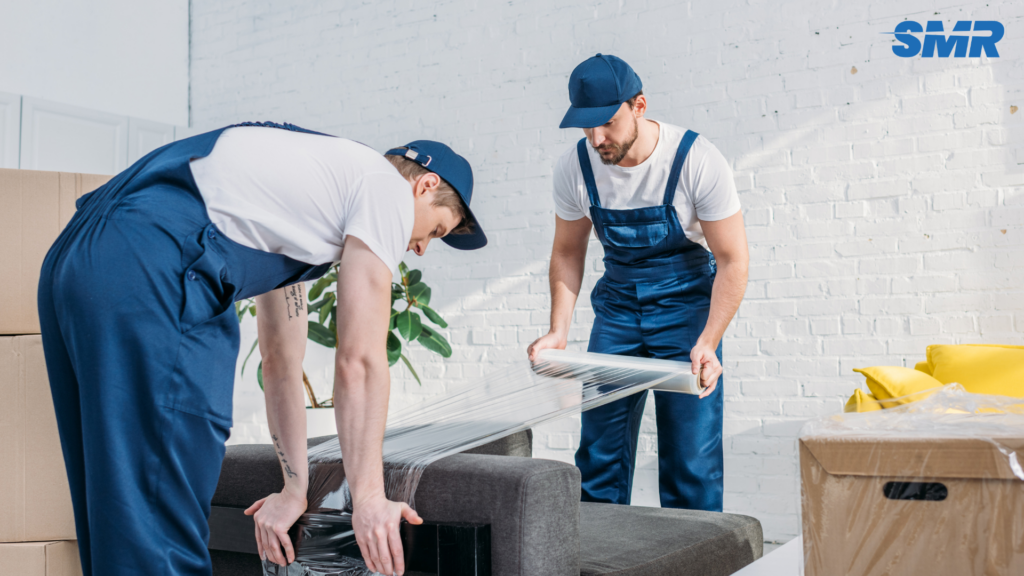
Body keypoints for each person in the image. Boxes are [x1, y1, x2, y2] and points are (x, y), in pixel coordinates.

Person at [37, 121, 486, 576]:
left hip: (80, 256)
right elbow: (361, 361)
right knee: (160, 512)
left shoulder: (308, 193)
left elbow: (280, 363)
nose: (422, 248)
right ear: (425, 184)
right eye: (437, 229)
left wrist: (295, 489)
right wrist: (368, 500)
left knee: (120, 506)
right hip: (152, 265)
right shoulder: (385, 187)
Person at [528, 55, 749, 512]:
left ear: (639, 106)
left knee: (691, 460)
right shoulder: (576, 167)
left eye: (606, 124)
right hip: (618, 310)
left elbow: (732, 260)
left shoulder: (695, 159)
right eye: (586, 128)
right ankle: (596, 558)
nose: (597, 139)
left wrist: (709, 341)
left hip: (687, 311)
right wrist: (558, 331)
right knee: (598, 455)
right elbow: (568, 251)